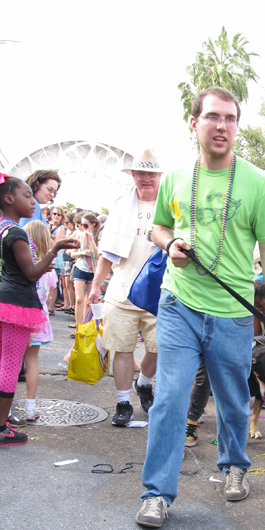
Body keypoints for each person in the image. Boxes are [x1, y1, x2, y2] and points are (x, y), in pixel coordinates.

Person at [137, 86, 265, 528]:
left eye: (230, 118)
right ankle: (157, 494)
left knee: (232, 397)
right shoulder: (174, 178)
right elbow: (159, 229)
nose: (221, 125)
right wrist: (172, 246)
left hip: (232, 311)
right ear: (195, 123)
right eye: (212, 117)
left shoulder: (258, 183)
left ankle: (235, 464)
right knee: (169, 398)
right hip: (179, 303)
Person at [0, 173, 77, 446]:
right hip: (17, 303)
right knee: (12, 364)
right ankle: (0, 427)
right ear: (9, 199)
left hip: (1, 299)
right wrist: (55, 249)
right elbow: (32, 273)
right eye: (26, 196)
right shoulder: (16, 231)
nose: (31, 201)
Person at [88, 149, 164, 426]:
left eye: (151, 173)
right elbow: (107, 251)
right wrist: (96, 285)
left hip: (160, 294)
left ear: (159, 176)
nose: (146, 178)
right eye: (140, 173)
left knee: (160, 347)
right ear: (133, 175)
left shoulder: (170, 205)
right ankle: (123, 402)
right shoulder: (121, 205)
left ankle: (144, 382)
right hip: (121, 291)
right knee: (121, 349)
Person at [22, 221, 58, 422]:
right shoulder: (49, 268)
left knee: (9, 362)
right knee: (32, 361)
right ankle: (30, 406)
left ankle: (4, 407)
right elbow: (52, 290)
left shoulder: (24, 264)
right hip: (39, 317)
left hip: (20, 315)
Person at [70, 212, 99, 329]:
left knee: (89, 301)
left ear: (93, 224)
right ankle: (79, 327)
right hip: (80, 268)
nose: (83, 228)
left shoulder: (98, 237)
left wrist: (92, 240)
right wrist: (81, 252)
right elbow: (71, 253)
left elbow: (98, 256)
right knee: (79, 299)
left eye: (85, 225)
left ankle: (85, 327)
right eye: (81, 225)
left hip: (93, 271)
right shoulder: (80, 235)